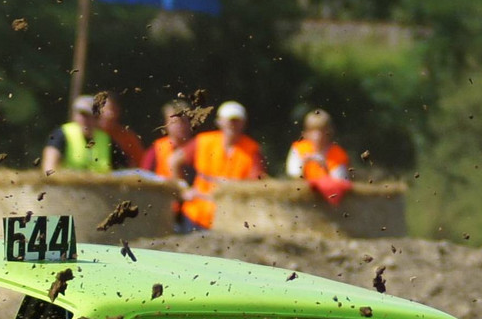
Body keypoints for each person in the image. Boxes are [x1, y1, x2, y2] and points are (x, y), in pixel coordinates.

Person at [179, 101, 264, 230]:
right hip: (196, 215)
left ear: (243, 123)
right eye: (229, 120)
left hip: (231, 218)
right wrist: (184, 189)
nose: (232, 124)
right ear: (219, 122)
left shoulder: (252, 149)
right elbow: (174, 161)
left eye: (237, 120)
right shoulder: (204, 141)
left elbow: (257, 182)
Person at [140, 98, 200, 231]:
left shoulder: (199, 148)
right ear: (166, 124)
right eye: (174, 121)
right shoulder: (157, 149)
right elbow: (143, 179)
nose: (179, 125)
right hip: (163, 209)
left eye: (183, 121)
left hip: (193, 210)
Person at [41, 95, 135, 174]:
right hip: (68, 191)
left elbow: (129, 171)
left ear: (98, 118)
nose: (86, 120)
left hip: (100, 193)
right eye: (82, 115)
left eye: (91, 116)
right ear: (75, 116)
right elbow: (49, 168)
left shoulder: (107, 140)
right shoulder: (61, 134)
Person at [284, 108, 351, 181]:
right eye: (313, 131)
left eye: (322, 130)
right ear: (306, 132)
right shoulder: (299, 148)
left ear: (330, 132)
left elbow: (341, 182)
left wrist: (325, 167)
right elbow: (292, 176)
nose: (317, 136)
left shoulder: (338, 153)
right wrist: (303, 164)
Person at [96, 91, 146, 168]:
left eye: (112, 109)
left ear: (118, 111)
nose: (109, 114)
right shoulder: (89, 133)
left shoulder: (128, 137)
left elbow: (140, 165)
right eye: (105, 109)